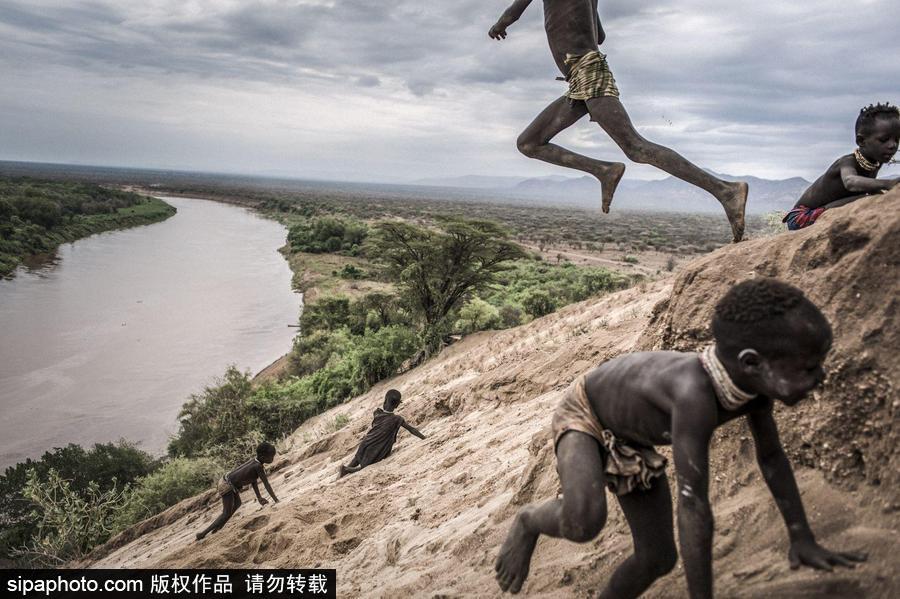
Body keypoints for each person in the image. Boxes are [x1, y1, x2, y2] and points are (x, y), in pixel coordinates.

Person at [495, 278, 866, 597]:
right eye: (809, 368)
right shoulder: (694, 397)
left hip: (632, 433)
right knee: (584, 521)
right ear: (751, 363)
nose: (821, 377)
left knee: (657, 558)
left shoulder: (754, 391)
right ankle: (529, 521)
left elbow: (771, 459)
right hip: (585, 413)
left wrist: (801, 538)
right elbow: (693, 505)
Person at [488, 0, 748, 241]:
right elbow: (599, 35)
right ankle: (604, 170)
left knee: (636, 147)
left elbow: (513, 12)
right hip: (580, 78)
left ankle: (726, 191)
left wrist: (499, 25)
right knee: (529, 143)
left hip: (588, 72)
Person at [784, 103, 900, 230]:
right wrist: (888, 184)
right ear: (861, 141)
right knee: (869, 198)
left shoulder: (876, 162)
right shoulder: (847, 162)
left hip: (832, 206)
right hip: (800, 216)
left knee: (874, 198)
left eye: (897, 140)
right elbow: (850, 182)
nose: (892, 145)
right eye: (884, 140)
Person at [195, 442, 279, 541]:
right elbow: (266, 484)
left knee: (238, 503)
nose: (272, 459)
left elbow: (253, 480)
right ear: (262, 456)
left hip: (226, 481)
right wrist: (276, 500)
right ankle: (203, 533)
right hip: (227, 485)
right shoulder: (258, 466)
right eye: (271, 457)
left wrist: (259, 497)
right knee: (226, 512)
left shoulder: (255, 462)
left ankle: (218, 527)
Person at [338, 389, 426, 478]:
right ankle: (346, 469)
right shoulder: (397, 419)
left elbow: (379, 421)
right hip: (377, 447)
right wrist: (424, 438)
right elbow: (412, 430)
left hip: (366, 442)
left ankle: (344, 472)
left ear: (385, 401)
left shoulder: (377, 413)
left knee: (357, 458)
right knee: (364, 466)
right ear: (397, 405)